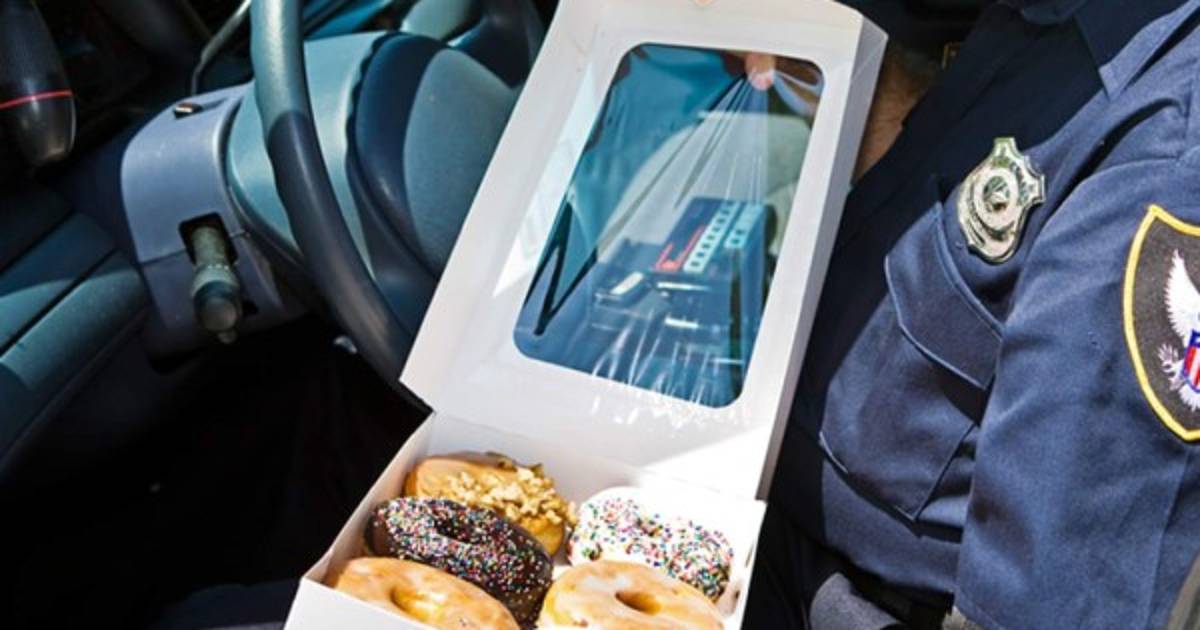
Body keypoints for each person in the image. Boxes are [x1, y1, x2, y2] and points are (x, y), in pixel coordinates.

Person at [743, 0, 1200, 628]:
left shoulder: (1165, 154)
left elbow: (1046, 604)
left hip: (855, 602)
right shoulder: (1057, 21)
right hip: (753, 507)